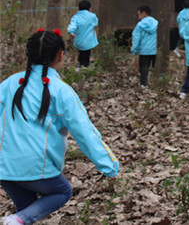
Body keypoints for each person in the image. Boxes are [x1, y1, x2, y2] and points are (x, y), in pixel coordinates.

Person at [0, 29, 118, 225]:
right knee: (62, 191)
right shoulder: (61, 90)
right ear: (61, 55)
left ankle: (18, 219)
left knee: (26, 208)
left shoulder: (9, 84)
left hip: (5, 168)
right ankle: (19, 219)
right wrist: (109, 165)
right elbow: (84, 132)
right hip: (37, 167)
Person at [131, 5, 158, 88]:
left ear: (144, 13)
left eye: (138, 14)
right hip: (155, 50)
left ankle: (143, 85)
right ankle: (156, 84)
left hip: (144, 51)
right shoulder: (157, 23)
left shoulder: (140, 25)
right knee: (156, 68)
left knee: (144, 69)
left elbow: (136, 38)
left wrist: (134, 50)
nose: (138, 16)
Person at [67, 0, 98, 69]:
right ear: (89, 8)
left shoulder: (75, 17)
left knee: (81, 54)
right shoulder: (92, 16)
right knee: (86, 55)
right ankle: (84, 68)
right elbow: (95, 23)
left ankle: (80, 65)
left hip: (79, 41)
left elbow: (72, 26)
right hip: (89, 41)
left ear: (78, 8)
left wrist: (71, 32)